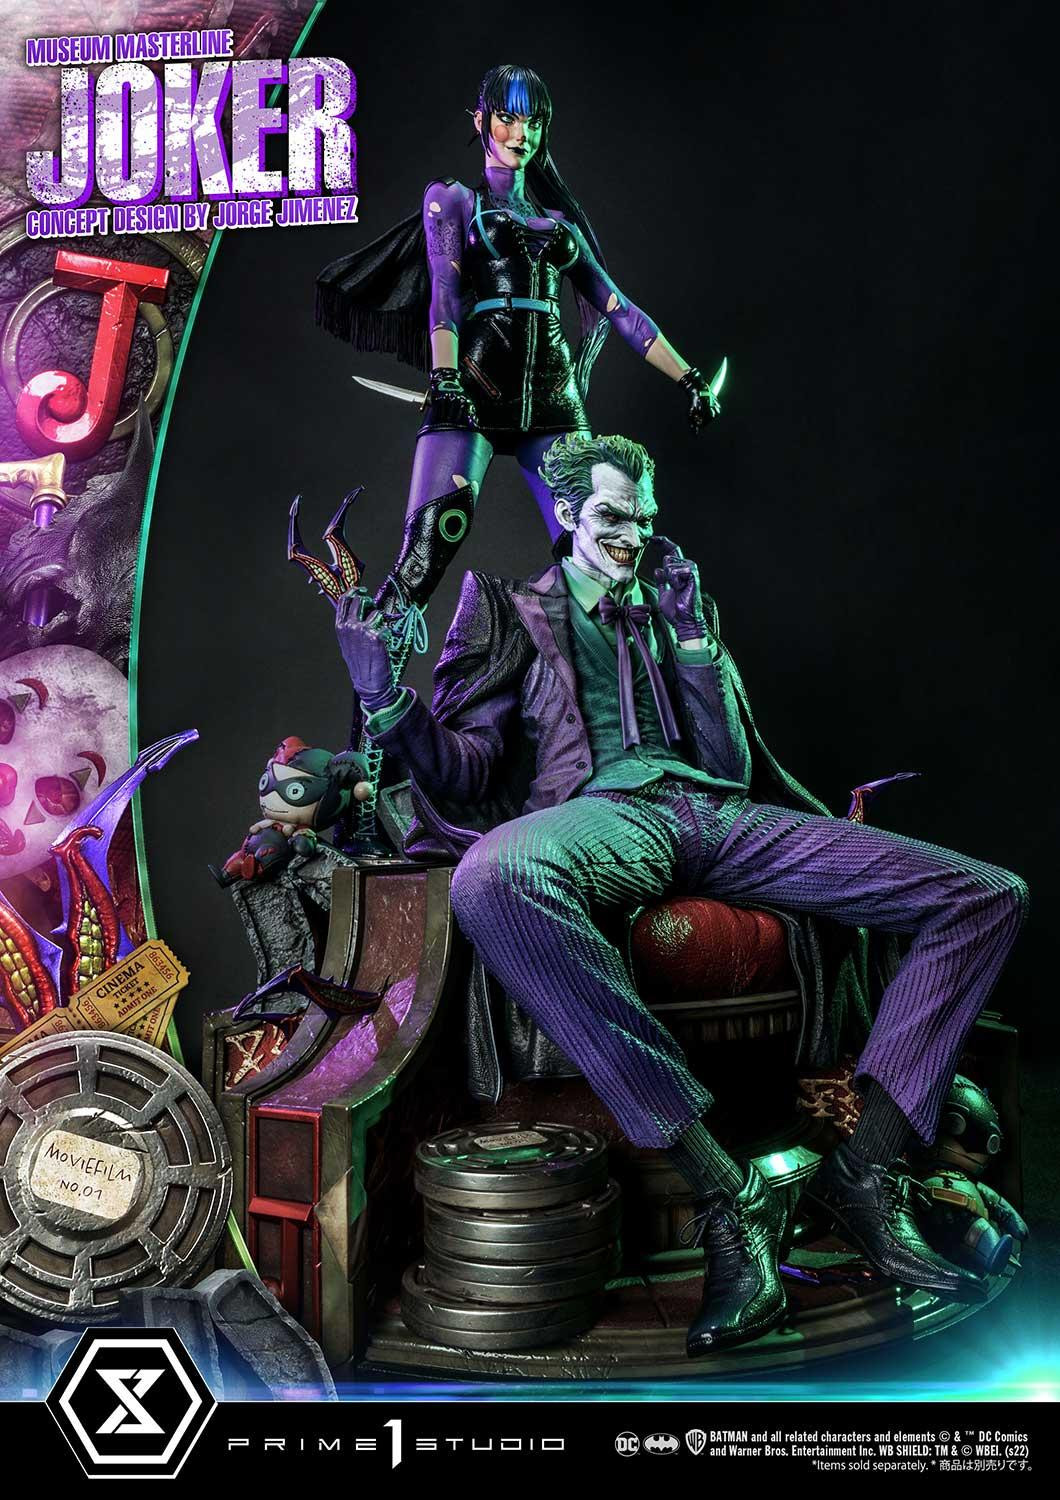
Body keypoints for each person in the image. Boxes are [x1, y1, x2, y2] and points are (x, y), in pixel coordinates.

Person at [334, 431, 1029, 1356]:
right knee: (494, 876)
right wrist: (385, 697)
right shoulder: (506, 610)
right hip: (604, 816)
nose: (632, 535)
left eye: (645, 519)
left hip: (718, 816)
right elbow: (464, 773)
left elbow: (730, 765)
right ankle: (727, 1195)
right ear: (567, 513)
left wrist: (695, 637)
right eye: (612, 517)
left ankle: (865, 1172)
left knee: (987, 896)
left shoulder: (674, 606)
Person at [317, 64, 722, 638]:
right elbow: (445, 296)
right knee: (429, 546)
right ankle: (376, 686)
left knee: (596, 557)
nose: (520, 134)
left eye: (532, 122)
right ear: (481, 122)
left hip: (554, 398)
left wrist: (689, 378)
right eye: (507, 118)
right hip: (474, 386)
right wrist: (446, 377)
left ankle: (615, 689)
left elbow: (620, 309)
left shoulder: (559, 225)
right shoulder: (454, 200)